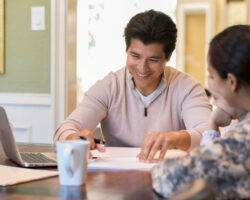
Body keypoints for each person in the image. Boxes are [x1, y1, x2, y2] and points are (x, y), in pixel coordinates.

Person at [151, 25, 250, 199]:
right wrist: (219, 122)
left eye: (211, 76)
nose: (209, 84)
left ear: (231, 81)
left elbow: (174, 179)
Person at [54, 10, 212, 161]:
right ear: (126, 50)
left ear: (167, 58)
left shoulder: (187, 87)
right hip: (116, 180)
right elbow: (65, 129)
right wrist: (74, 138)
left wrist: (177, 138)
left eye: (153, 60)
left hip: (170, 177)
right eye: (135, 56)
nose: (142, 68)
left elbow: (209, 136)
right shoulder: (109, 87)